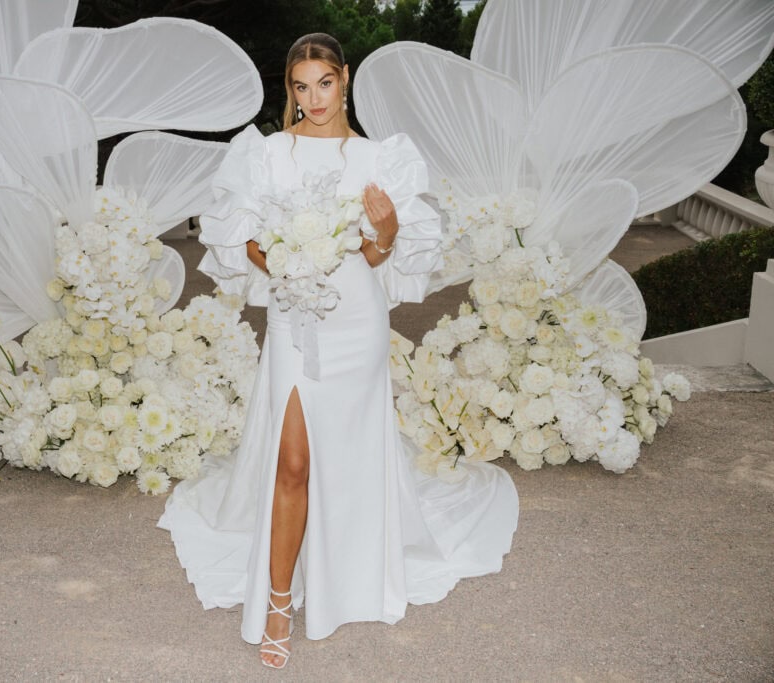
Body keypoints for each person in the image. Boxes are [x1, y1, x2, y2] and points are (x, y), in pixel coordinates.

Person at [159, 32, 519, 669]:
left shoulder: (379, 157)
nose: (313, 97)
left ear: (344, 79)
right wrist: (285, 264)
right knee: (291, 461)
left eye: (323, 82)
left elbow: (378, 258)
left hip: (356, 318)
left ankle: (341, 580)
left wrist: (386, 229)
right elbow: (240, 234)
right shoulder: (268, 154)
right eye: (301, 86)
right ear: (291, 89)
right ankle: (276, 601)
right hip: (297, 319)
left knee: (347, 460)